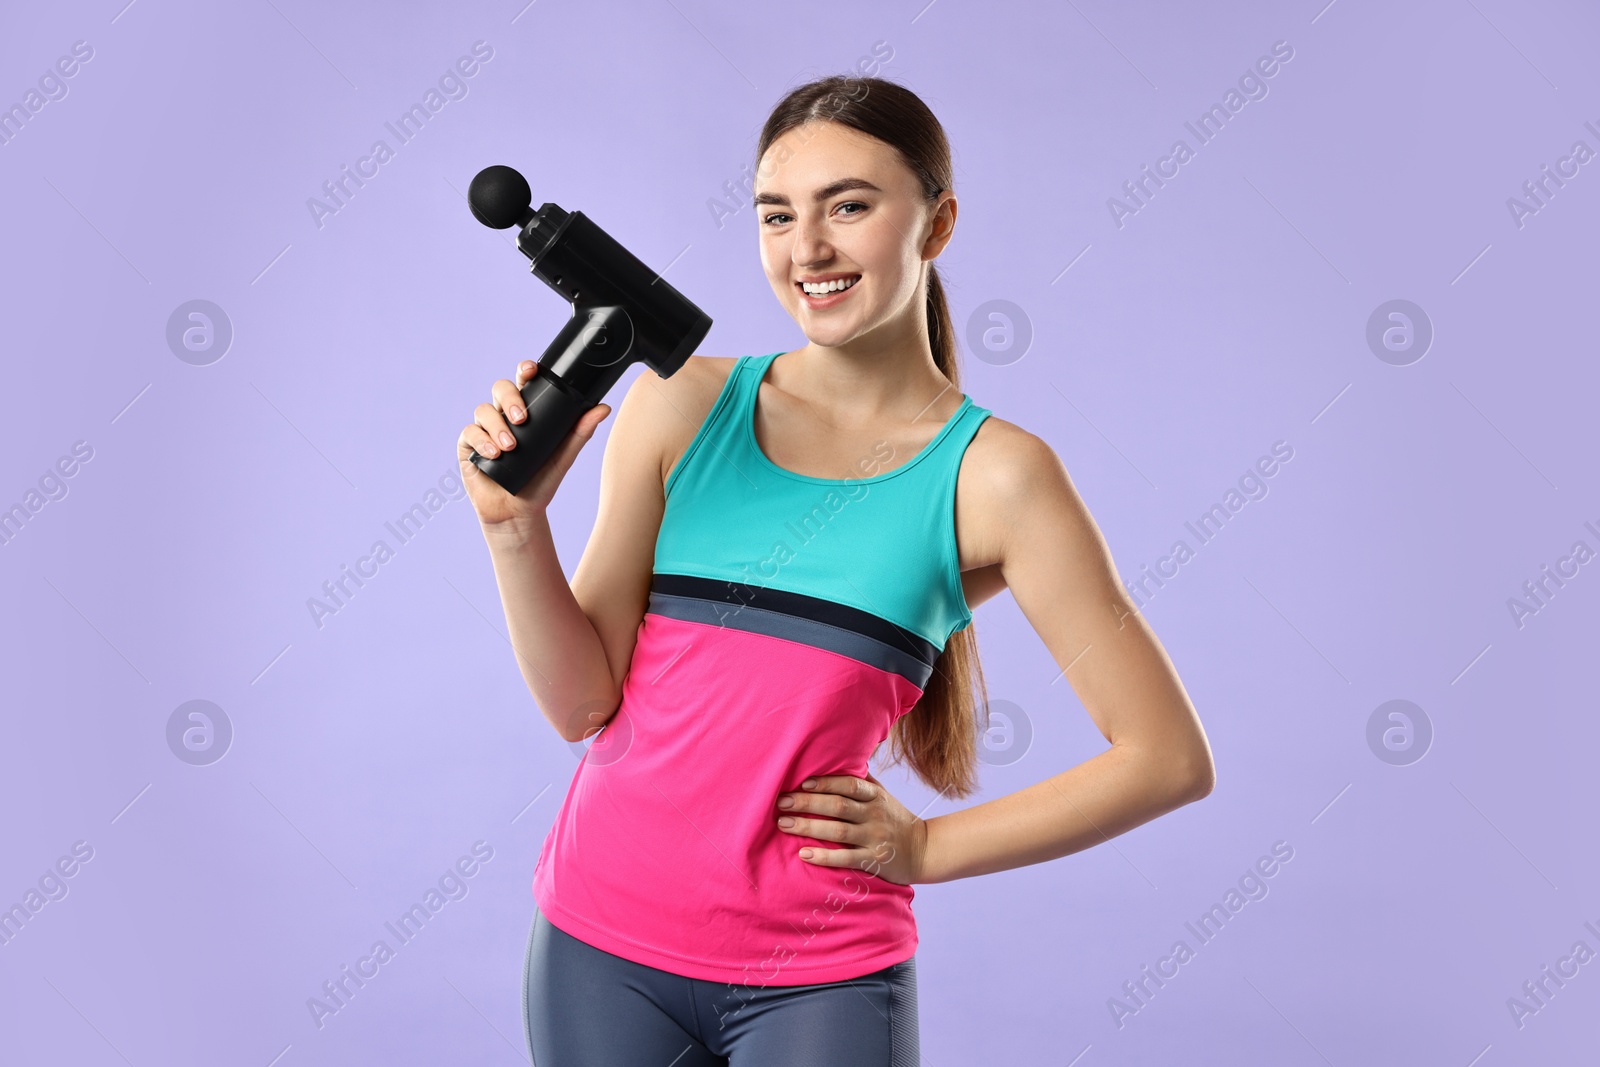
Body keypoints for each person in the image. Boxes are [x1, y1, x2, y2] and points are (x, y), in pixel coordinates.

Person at [456, 74, 1214, 1067]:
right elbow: (582, 704)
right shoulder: (681, 406)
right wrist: (514, 529)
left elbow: (1165, 757)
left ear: (936, 225)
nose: (806, 249)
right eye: (778, 214)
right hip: (595, 943)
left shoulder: (997, 478)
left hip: (816, 976)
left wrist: (928, 848)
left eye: (848, 206)